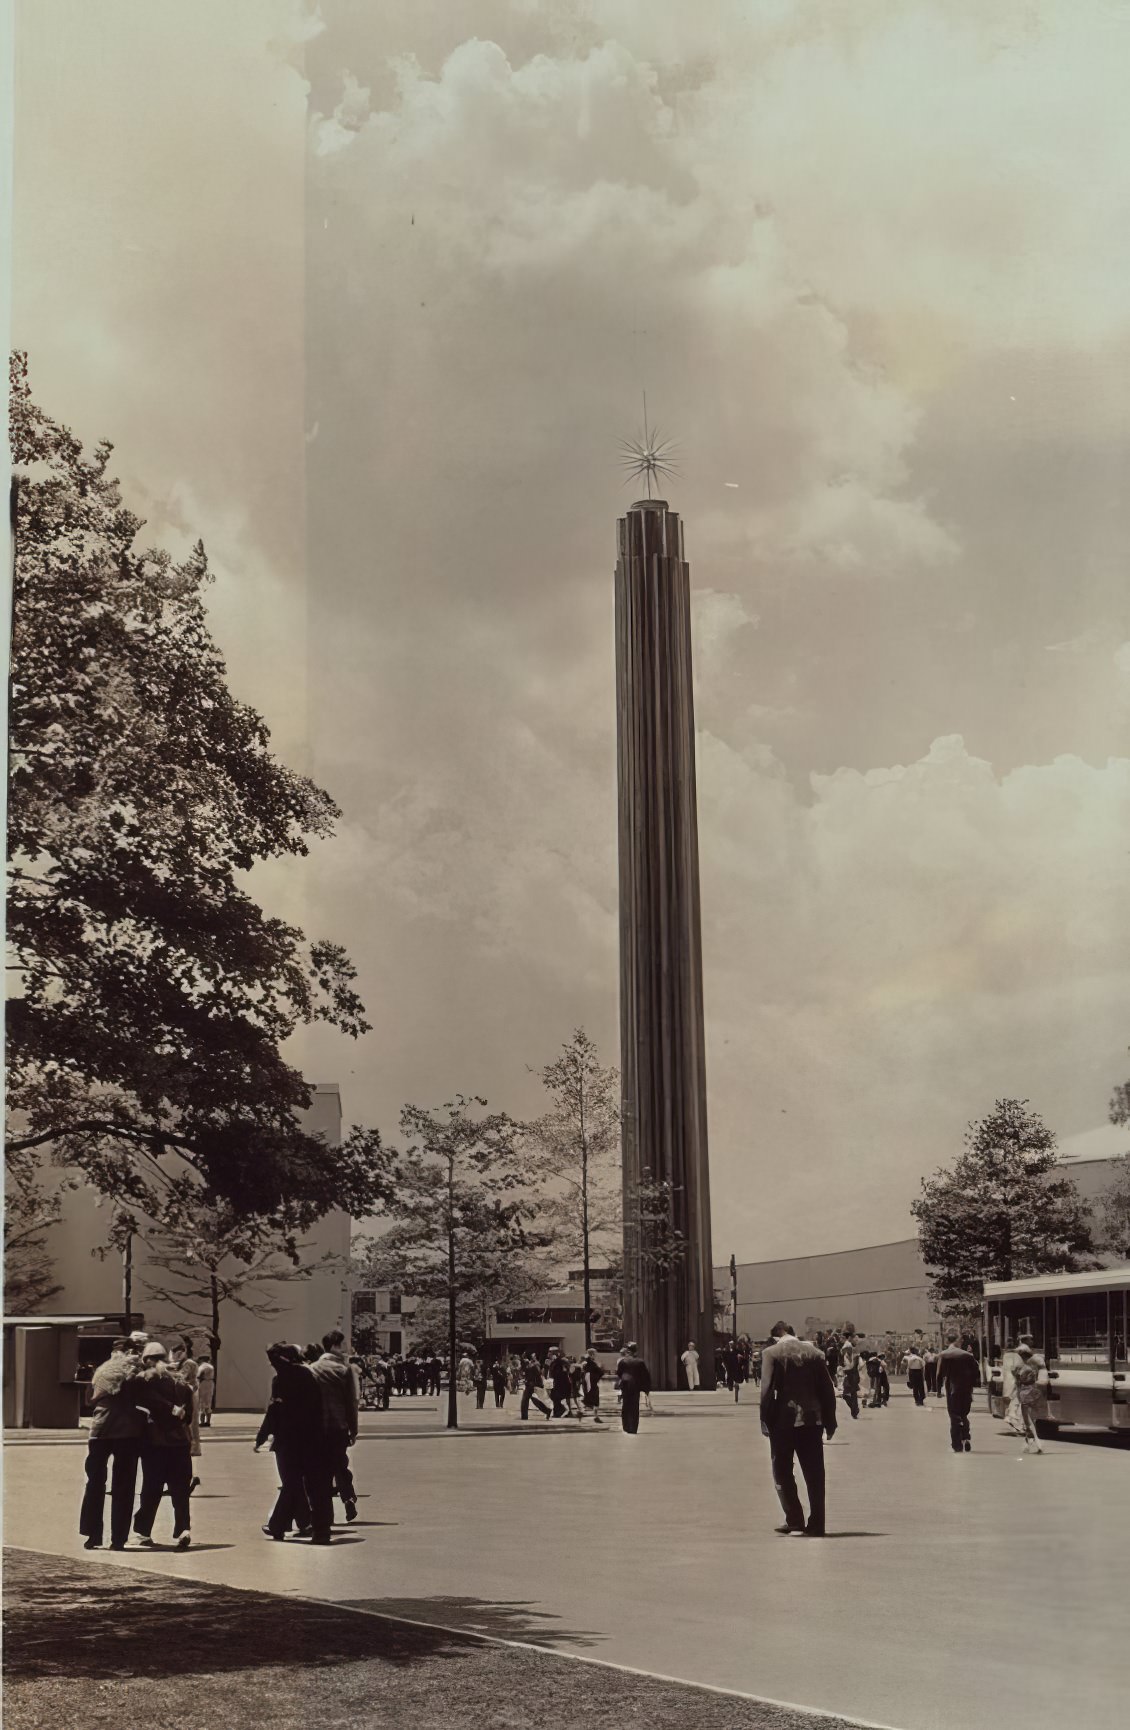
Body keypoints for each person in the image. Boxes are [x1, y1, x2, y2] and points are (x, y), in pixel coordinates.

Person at [759, 1320, 837, 1538]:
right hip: (813, 1421)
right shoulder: (815, 1353)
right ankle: (817, 1524)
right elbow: (827, 1389)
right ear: (793, 1333)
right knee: (815, 1474)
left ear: (776, 1337)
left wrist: (763, 1419)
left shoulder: (771, 1353)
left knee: (782, 1470)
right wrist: (831, 1422)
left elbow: (766, 1390)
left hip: (782, 1421)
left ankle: (794, 1519)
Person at [256, 1343, 333, 1542]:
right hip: (312, 1439)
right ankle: (319, 1530)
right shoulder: (310, 1376)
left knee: (291, 1483)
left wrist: (262, 1436)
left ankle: (279, 1525)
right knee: (313, 1485)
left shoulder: (281, 1380)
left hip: (288, 1441)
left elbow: (274, 1412)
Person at [79, 1337, 146, 1551]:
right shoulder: (138, 1372)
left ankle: (92, 1534)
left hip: (100, 1429)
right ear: (130, 1351)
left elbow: (89, 1400)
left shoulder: (101, 1372)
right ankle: (118, 1539)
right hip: (128, 1431)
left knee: (95, 1483)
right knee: (124, 1486)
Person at [131, 1342, 194, 1550]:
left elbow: (142, 1401)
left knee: (151, 1488)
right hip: (181, 1442)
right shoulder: (181, 1382)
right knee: (180, 1489)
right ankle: (183, 1529)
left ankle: (143, 1530)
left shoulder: (146, 1379)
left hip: (155, 1442)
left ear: (147, 1360)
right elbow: (190, 1415)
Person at [310, 1329, 359, 1523]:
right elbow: (351, 1402)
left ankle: (323, 1513)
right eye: (343, 1344)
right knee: (340, 1465)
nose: (346, 1348)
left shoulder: (312, 1368)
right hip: (338, 1426)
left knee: (320, 1469)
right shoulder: (344, 1370)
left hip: (317, 1427)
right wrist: (353, 1429)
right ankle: (347, 1498)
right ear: (335, 1346)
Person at [936, 1329, 982, 1453]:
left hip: (952, 1389)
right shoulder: (968, 1355)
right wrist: (972, 1386)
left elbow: (939, 1374)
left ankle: (957, 1444)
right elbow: (976, 1373)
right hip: (966, 1389)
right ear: (957, 1340)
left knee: (954, 1416)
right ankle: (966, 1437)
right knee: (964, 1414)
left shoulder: (944, 1355)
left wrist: (938, 1390)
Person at [169, 1339, 202, 1491]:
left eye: (176, 1353)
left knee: (188, 1431)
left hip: (189, 1398)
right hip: (183, 1397)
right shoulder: (181, 1364)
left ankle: (186, 1477)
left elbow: (181, 1377)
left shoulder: (189, 1364)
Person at [1011, 1342, 1046, 1454]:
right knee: (1031, 1419)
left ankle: (1038, 1442)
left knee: (1028, 1421)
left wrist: (1016, 1395)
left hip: (1025, 1394)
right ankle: (1027, 1443)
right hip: (1036, 1392)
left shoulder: (1020, 1367)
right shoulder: (1037, 1362)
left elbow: (1017, 1383)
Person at [614, 1342, 652, 1435]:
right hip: (635, 1386)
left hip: (626, 1385)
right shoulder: (640, 1362)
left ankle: (626, 1426)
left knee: (626, 1405)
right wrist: (646, 1389)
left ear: (628, 1351)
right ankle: (633, 1427)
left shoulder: (623, 1361)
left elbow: (619, 1373)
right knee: (634, 1406)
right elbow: (645, 1376)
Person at [520, 1355, 551, 1420]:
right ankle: (547, 1410)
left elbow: (538, 1374)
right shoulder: (530, 1367)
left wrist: (538, 1383)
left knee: (525, 1400)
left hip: (532, 1385)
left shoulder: (533, 1366)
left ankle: (524, 1416)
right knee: (533, 1400)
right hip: (531, 1384)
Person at [581, 1348, 604, 1422]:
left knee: (590, 1398)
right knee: (593, 1399)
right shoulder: (590, 1363)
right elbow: (600, 1372)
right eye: (594, 1354)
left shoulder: (584, 1362)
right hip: (591, 1382)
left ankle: (592, 1414)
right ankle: (594, 1416)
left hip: (587, 1381)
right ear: (592, 1354)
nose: (595, 1355)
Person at [195, 1354, 215, 1427]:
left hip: (203, 1384)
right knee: (208, 1402)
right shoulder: (211, 1366)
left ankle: (202, 1421)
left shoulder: (202, 1367)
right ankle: (208, 1421)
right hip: (210, 1383)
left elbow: (199, 1376)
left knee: (201, 1401)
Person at [840, 1355, 861, 1420]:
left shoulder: (853, 1367)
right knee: (850, 1397)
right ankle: (854, 1410)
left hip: (850, 1383)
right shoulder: (851, 1364)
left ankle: (854, 1411)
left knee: (850, 1396)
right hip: (850, 1383)